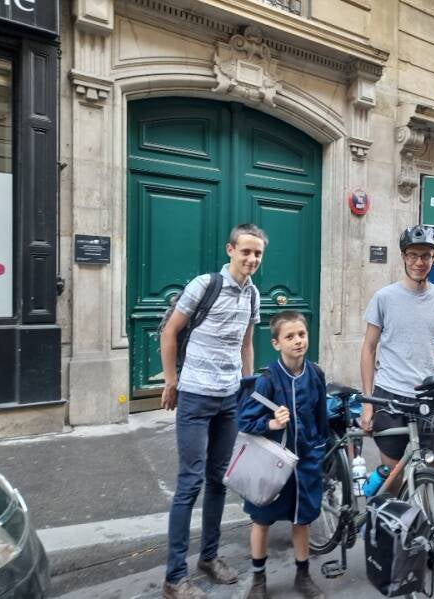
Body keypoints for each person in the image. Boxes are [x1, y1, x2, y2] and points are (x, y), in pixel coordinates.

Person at [159, 223, 267, 599]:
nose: (251, 259)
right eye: (246, 251)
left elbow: (246, 344)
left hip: (229, 399)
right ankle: (174, 577)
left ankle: (209, 557)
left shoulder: (253, 294)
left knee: (219, 480)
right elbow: (170, 331)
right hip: (194, 396)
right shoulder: (205, 285)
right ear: (230, 250)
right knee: (190, 483)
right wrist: (171, 381)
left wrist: (248, 386)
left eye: (257, 253)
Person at [360, 225, 434, 489]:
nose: (419, 262)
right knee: (393, 474)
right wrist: (367, 402)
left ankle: (430, 514)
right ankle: (394, 515)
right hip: (390, 396)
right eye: (412, 255)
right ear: (403, 257)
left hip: (431, 398)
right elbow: (368, 348)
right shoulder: (384, 297)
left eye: (426, 256)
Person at [237, 311, 328, 599]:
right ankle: (258, 578)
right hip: (271, 465)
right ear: (276, 343)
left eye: (301, 334)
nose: (298, 341)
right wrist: (271, 424)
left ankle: (303, 575)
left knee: (302, 519)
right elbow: (244, 422)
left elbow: (321, 417)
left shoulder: (315, 374)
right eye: (290, 336)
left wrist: (320, 450)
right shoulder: (267, 380)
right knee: (261, 520)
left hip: (306, 461)